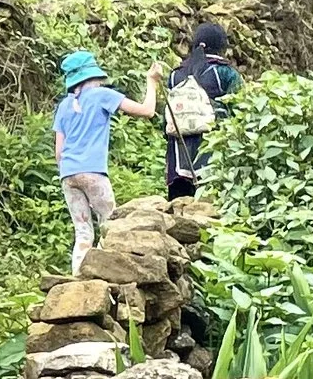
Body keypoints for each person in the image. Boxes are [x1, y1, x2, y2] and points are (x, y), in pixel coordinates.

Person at [53, 49, 161, 272]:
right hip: (93, 172)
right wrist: (152, 82)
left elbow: (58, 152)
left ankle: (77, 277)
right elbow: (147, 110)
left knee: (82, 232)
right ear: (94, 75)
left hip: (68, 174)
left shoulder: (63, 106)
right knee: (110, 225)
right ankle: (106, 274)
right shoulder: (102, 95)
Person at [163, 22, 241, 201]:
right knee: (210, 212)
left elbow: (167, 116)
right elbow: (240, 111)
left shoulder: (176, 74)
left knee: (177, 213)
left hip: (178, 155)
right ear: (222, 47)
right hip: (214, 154)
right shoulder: (225, 73)